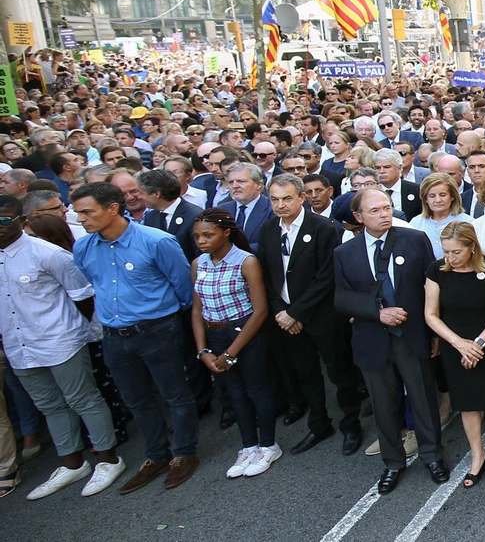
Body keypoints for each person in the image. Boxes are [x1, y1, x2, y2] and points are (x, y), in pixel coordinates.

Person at [70, 182, 200, 493]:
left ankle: (184, 454)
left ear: (112, 209)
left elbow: (184, 288)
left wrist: (162, 316)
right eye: (78, 213)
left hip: (158, 331)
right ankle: (156, 455)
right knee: (137, 400)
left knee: (176, 395)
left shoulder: (157, 242)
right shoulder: (83, 247)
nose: (81, 220)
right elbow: (94, 283)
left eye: (87, 212)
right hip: (114, 336)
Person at [0, 194, 123, 500]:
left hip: (59, 340)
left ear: (21, 221)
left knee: (84, 399)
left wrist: (73, 331)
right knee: (50, 406)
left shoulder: (48, 253)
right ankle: (72, 464)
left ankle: (108, 460)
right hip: (20, 347)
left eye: (4, 220)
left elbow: (83, 296)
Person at [333, 187, 447, 495]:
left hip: (413, 334)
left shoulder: (414, 240)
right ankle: (393, 462)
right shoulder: (345, 252)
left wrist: (435, 332)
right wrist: (377, 312)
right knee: (384, 404)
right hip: (373, 338)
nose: (385, 215)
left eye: (387, 208)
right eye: (376, 211)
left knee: (423, 398)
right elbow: (341, 298)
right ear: (358, 217)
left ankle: (432, 456)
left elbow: (431, 286)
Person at [258, 174, 363, 456]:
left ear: (301, 197)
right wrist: (281, 312)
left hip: (324, 317)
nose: (280, 205)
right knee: (306, 374)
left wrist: (296, 312)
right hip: (288, 320)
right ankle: (319, 424)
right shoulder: (268, 229)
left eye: (287, 198)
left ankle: (351, 424)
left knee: (340, 374)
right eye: (275, 199)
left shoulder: (323, 228)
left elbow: (326, 277)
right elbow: (268, 275)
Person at [189, 208, 278, 479]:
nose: (201, 241)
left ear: (226, 233)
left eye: (208, 235)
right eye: (197, 236)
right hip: (215, 334)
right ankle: (248, 445)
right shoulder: (198, 264)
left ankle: (268, 445)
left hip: (245, 333)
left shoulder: (246, 261)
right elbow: (197, 310)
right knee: (234, 393)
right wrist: (203, 350)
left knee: (257, 390)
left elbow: (260, 310)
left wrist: (231, 352)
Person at [423, 221, 485, 488]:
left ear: (471, 247)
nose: (450, 258)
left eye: (456, 252)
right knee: (467, 402)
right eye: (446, 251)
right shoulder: (436, 271)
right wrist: (460, 344)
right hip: (455, 345)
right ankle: (477, 454)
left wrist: (479, 342)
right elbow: (430, 314)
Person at [411, 172, 473, 256]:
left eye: (443, 195)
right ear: (425, 199)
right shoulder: (416, 223)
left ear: (452, 197)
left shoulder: (468, 222)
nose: (438, 200)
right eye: (432, 196)